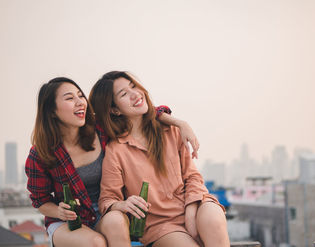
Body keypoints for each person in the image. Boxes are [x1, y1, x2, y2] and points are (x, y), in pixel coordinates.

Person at [25, 77, 200, 247]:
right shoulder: (40, 154)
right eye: (70, 98)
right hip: (68, 221)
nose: (80, 102)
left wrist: (180, 124)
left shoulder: (101, 129)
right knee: (96, 243)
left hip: (106, 211)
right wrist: (59, 211)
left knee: (116, 220)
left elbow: (144, 111)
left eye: (80, 95)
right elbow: (40, 201)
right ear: (52, 111)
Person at [91, 71, 230, 247]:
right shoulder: (116, 150)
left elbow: (193, 176)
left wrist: (191, 211)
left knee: (213, 218)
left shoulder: (171, 131)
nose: (135, 94)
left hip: (195, 205)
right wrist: (123, 204)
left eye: (133, 86)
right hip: (160, 225)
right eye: (124, 94)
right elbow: (107, 199)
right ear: (115, 110)